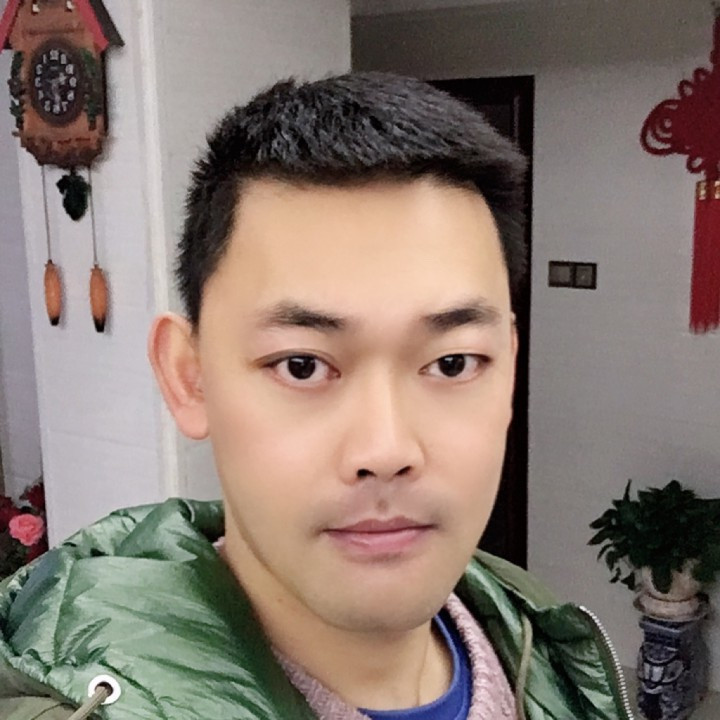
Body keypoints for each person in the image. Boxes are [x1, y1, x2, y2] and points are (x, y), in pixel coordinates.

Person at [0, 73, 630, 720]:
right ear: (190, 378)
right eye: (301, 366)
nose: (386, 450)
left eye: (452, 363)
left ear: (510, 369)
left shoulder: (544, 649)